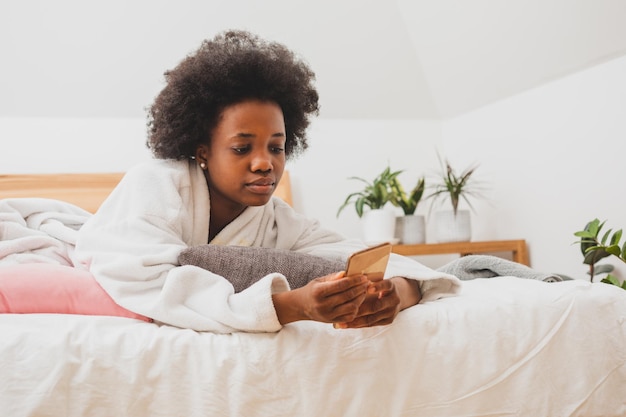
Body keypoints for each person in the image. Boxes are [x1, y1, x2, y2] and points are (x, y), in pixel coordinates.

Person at [73, 30, 460, 333]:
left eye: (276, 148)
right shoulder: (156, 184)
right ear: (202, 150)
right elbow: (145, 280)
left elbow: (357, 255)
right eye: (242, 149)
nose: (265, 164)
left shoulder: (276, 219)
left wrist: (398, 293)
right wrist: (295, 305)